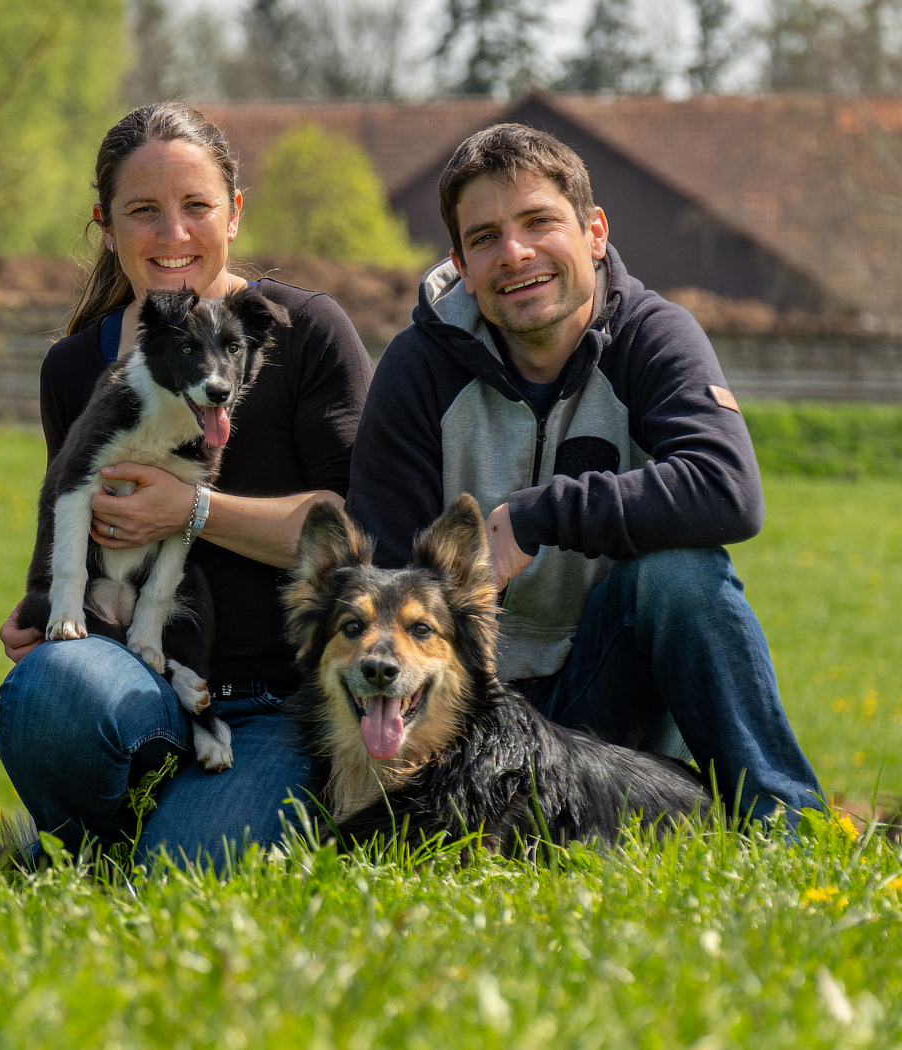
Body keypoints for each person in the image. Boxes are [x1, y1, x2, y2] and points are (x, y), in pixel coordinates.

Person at [345, 123, 823, 823]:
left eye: (539, 221)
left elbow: (728, 488)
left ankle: (784, 820)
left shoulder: (653, 337)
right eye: (485, 238)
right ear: (463, 264)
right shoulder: (416, 367)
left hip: (611, 692)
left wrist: (539, 516)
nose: (515, 253)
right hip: (467, 713)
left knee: (681, 575)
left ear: (594, 231)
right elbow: (385, 570)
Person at [0, 102, 372, 868]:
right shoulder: (75, 367)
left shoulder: (302, 332)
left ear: (233, 213)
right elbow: (80, 521)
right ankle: (90, 842)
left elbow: (357, 528)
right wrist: (46, 608)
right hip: (134, 668)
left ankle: (118, 849)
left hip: (279, 703)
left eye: (196, 207)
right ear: (106, 224)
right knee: (48, 691)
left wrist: (193, 510)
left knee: (180, 879)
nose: (173, 235)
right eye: (143, 212)